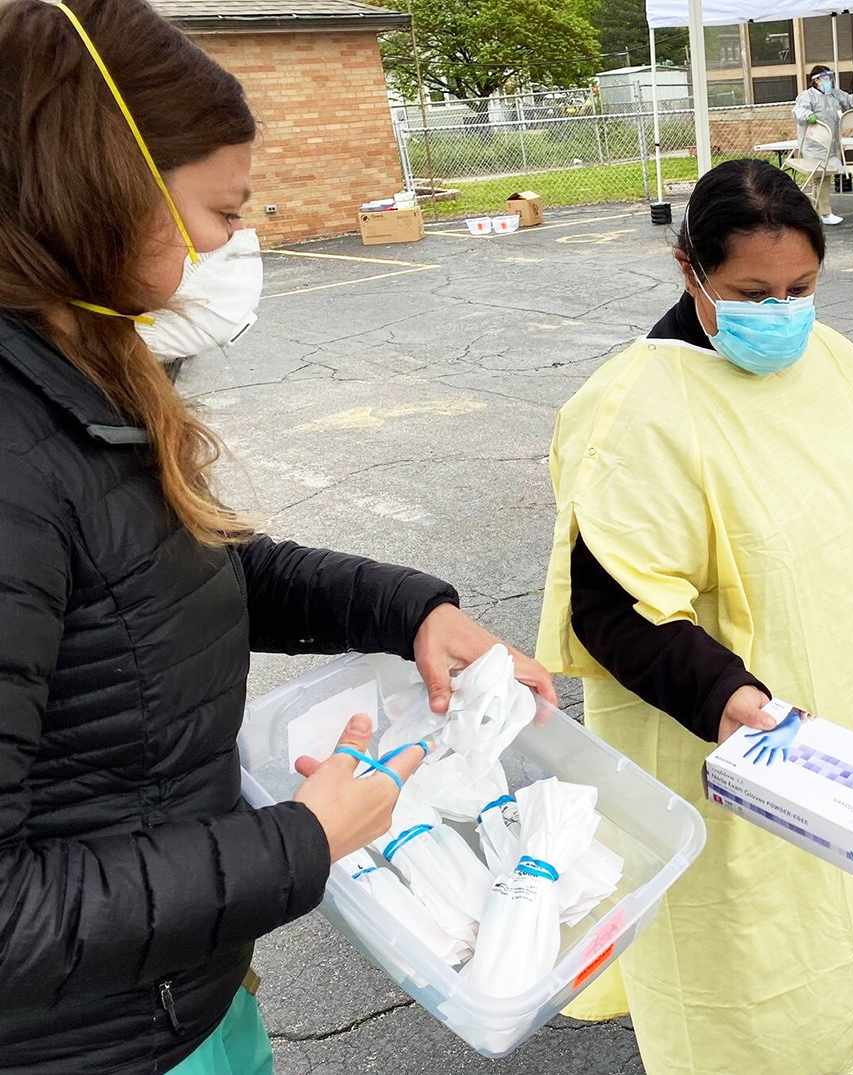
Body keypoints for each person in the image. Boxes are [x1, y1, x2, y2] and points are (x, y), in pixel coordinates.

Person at [0, 2, 556, 1072]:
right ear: (102, 185)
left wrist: (411, 610)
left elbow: (177, 574)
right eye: (221, 209)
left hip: (173, 993)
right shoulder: (16, 450)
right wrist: (299, 841)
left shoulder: (84, 369)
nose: (230, 244)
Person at [537, 157, 853, 1075]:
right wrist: (729, 696)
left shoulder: (833, 360)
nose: (782, 312)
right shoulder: (636, 408)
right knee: (751, 956)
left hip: (851, 708)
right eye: (753, 292)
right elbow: (611, 609)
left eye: (802, 288)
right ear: (690, 271)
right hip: (730, 736)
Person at [790, 65, 853, 227]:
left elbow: (848, 99)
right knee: (822, 177)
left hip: (831, 145)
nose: (829, 81)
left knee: (820, 179)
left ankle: (814, 211)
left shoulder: (834, 95)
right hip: (813, 145)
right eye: (825, 78)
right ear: (816, 81)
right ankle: (825, 213)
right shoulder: (807, 96)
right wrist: (809, 115)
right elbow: (798, 111)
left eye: (830, 78)